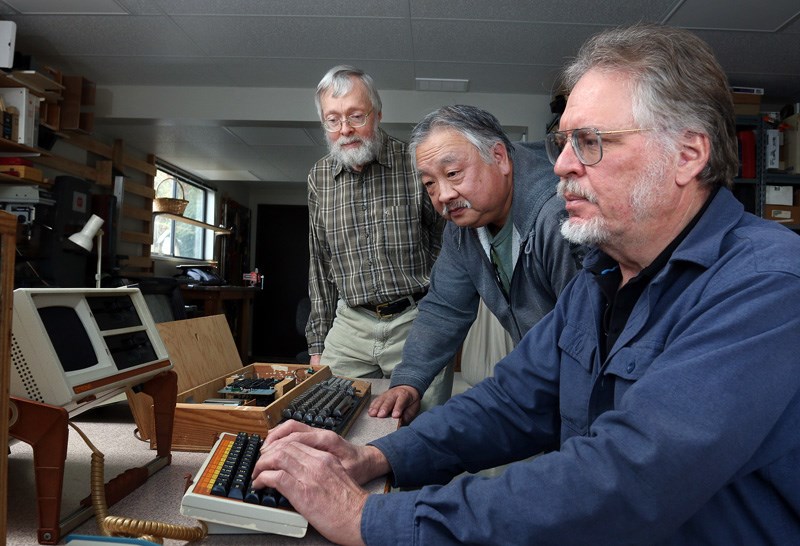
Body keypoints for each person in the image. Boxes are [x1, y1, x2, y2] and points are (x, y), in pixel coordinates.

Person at [253, 24, 800, 545]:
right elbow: (511, 402)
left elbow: (622, 480)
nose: (560, 165)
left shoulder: (767, 285)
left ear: (687, 155)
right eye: (563, 142)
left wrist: (372, 518)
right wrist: (381, 457)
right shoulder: (603, 276)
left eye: (589, 142)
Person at [369, 105, 581, 422]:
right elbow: (444, 308)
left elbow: (584, 336)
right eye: (429, 183)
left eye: (453, 174)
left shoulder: (559, 218)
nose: (442, 195)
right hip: (551, 381)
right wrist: (409, 381)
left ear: (499, 157)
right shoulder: (463, 227)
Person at [304, 65, 450, 409]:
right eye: (333, 119)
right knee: (328, 417)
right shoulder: (318, 178)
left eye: (356, 116)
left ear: (378, 113)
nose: (345, 130)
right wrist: (317, 345)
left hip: (414, 320)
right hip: (350, 325)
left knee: (422, 427)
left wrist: (440, 320)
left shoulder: (415, 162)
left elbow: (448, 244)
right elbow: (319, 262)